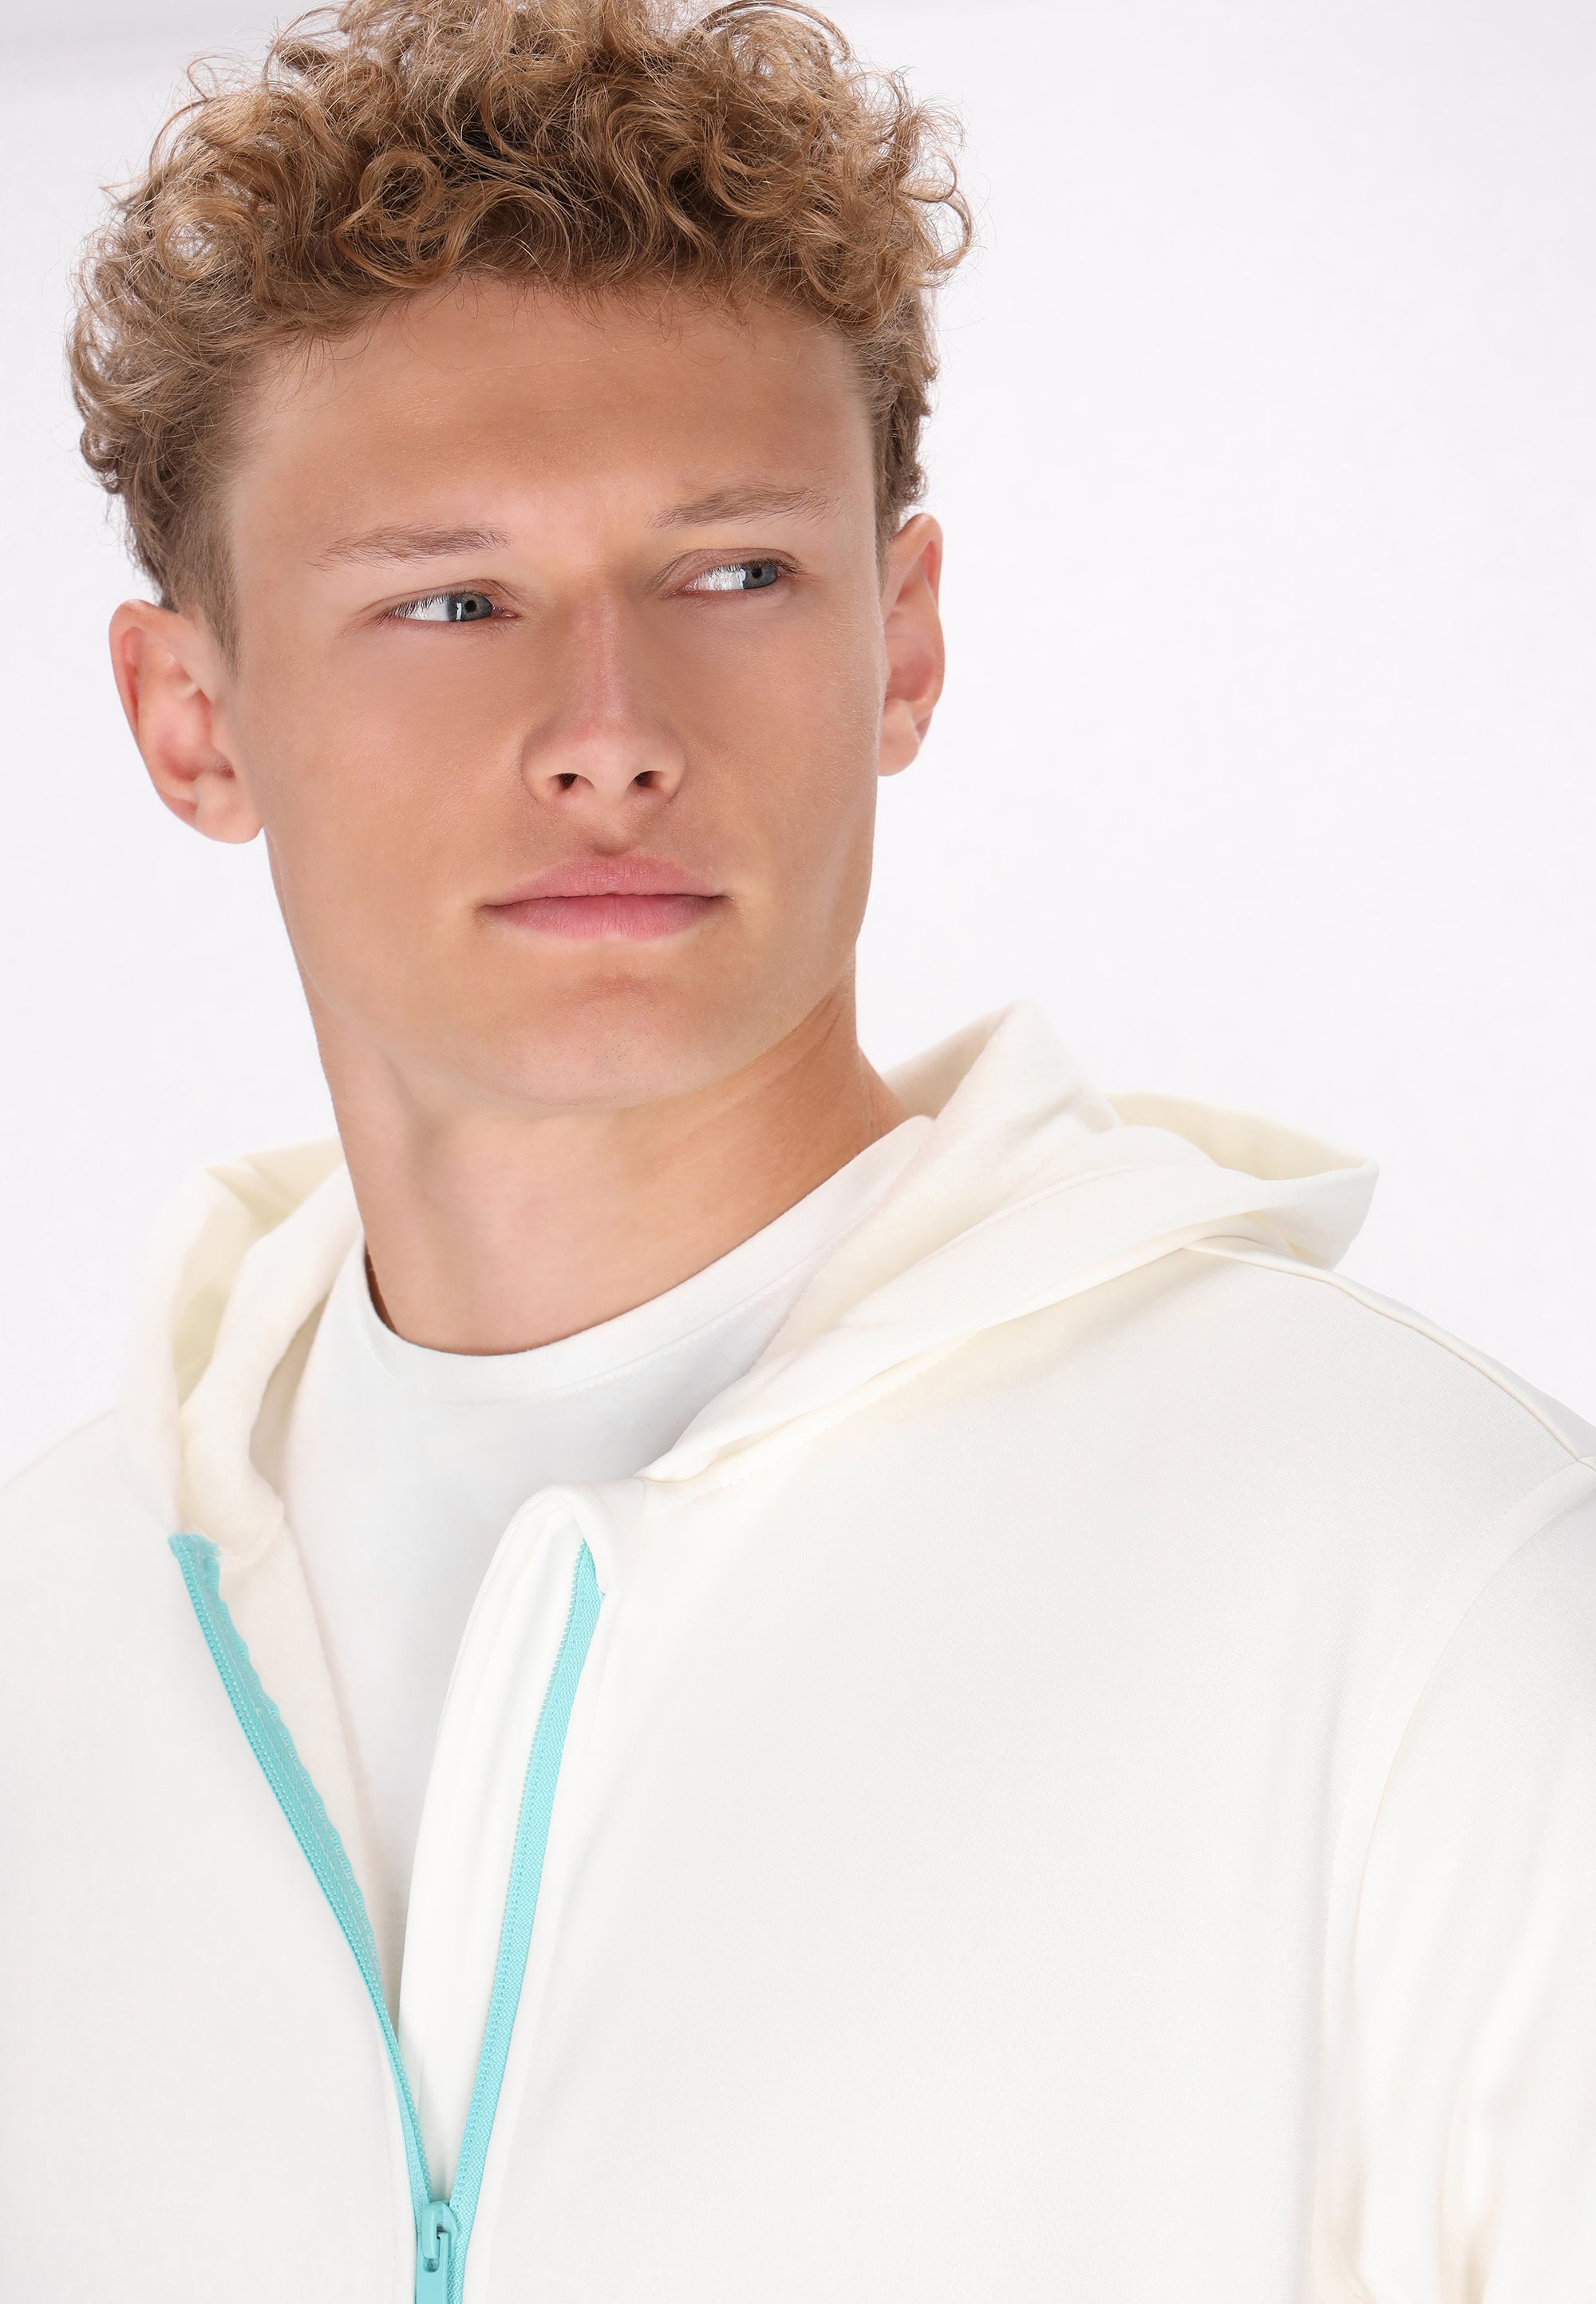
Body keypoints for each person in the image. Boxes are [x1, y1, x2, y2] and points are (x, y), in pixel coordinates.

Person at [2, 0, 1593, 2294]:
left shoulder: (1430, 1592)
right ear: (190, 718)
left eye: (732, 573)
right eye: (449, 601)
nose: (608, 733)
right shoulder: (48, 1654)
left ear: (902, 646)